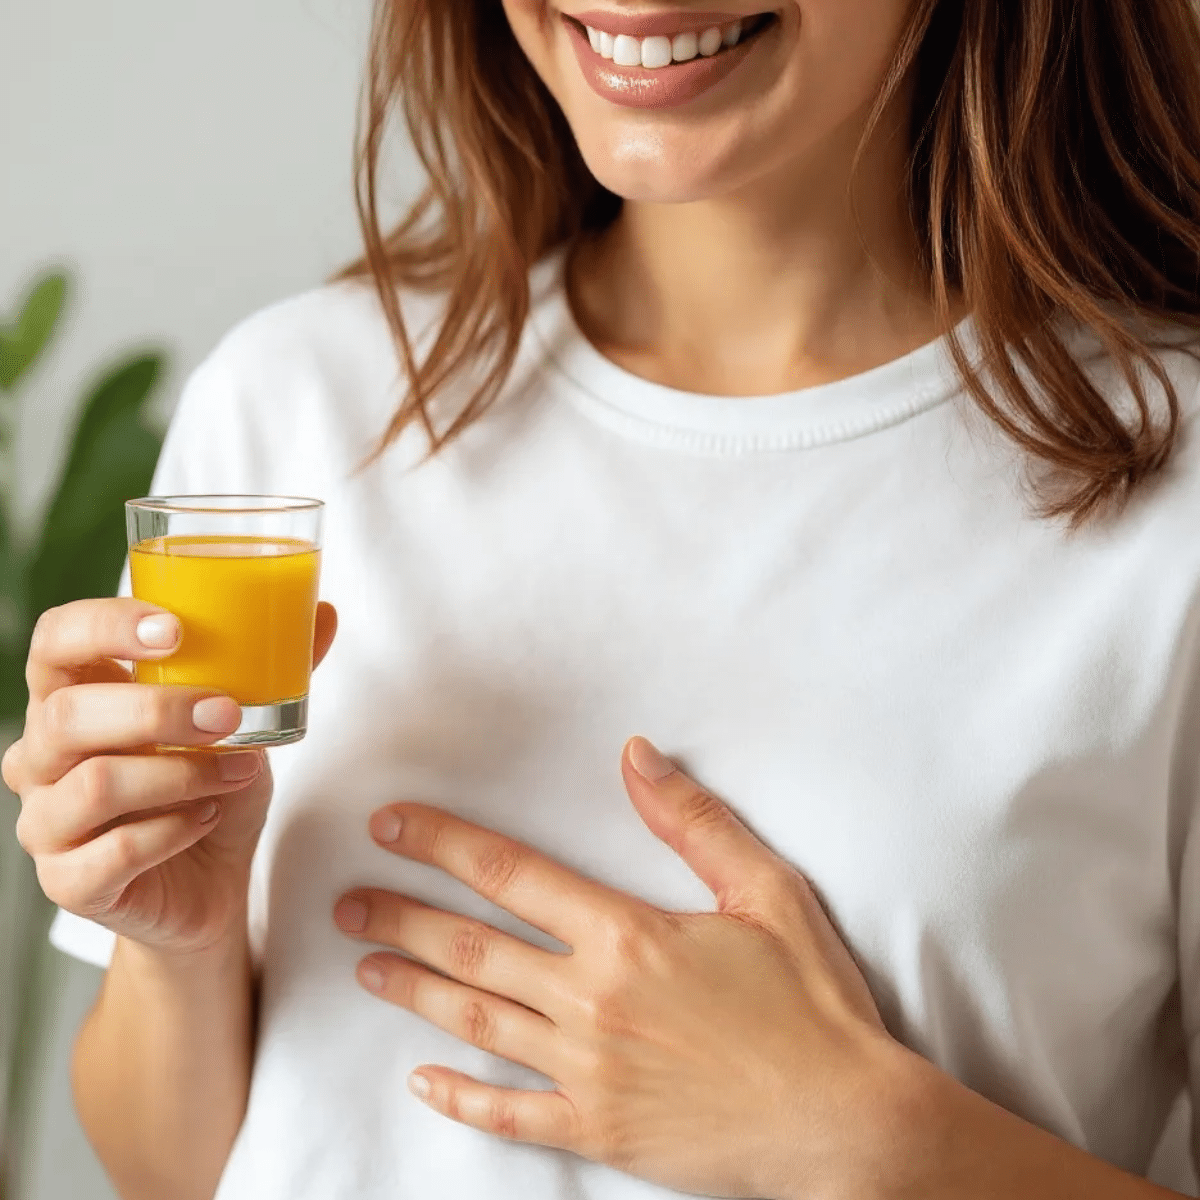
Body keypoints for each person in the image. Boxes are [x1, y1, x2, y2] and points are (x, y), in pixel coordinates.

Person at [5, 0, 1200, 1197]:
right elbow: (178, 1172)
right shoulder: (296, 404)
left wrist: (867, 1138)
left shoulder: (1174, 496)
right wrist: (186, 949)